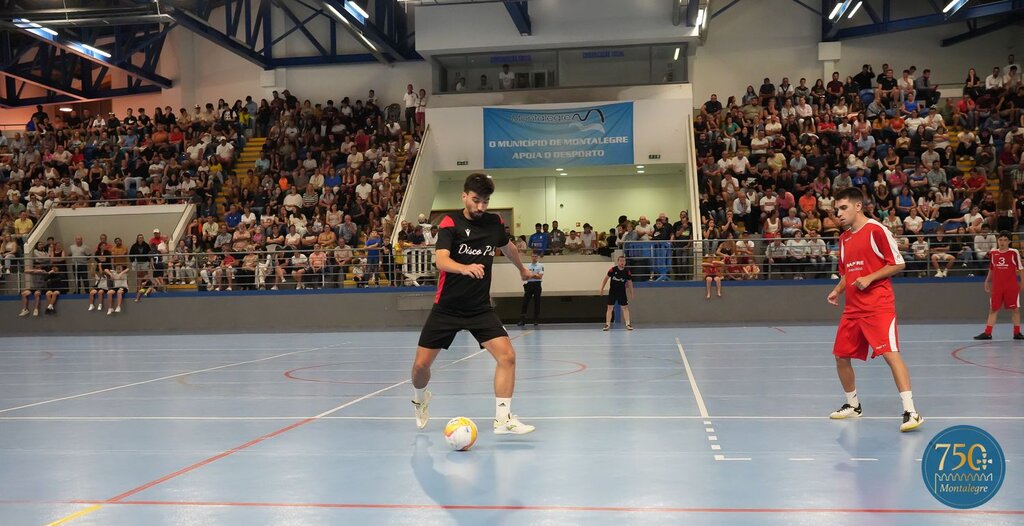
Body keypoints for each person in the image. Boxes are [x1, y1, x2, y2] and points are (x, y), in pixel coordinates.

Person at [410, 173, 535, 435]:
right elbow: (440, 260)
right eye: (476, 200)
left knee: (508, 356)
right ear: (464, 196)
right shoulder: (449, 222)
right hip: (447, 308)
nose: (480, 207)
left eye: (486, 202)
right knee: (421, 367)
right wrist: (464, 268)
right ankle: (420, 399)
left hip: (479, 308)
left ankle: (503, 419)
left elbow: (507, 246)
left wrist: (521, 269)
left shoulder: (494, 222)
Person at [826, 188, 923, 432]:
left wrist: (870, 278)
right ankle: (853, 406)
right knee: (841, 357)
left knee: (890, 354)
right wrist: (838, 289)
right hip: (853, 308)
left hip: (878, 306)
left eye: (843, 208)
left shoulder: (876, 230)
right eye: (837, 209)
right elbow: (848, 272)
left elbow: (899, 263)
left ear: (858, 206)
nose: (839, 213)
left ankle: (911, 411)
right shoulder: (844, 238)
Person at [974, 231, 1024, 340]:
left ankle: (1017, 333)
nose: (1002, 242)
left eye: (1005, 240)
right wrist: (987, 281)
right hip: (997, 286)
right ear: (997, 240)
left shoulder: (1014, 252)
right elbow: (992, 268)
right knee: (993, 309)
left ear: (1009, 241)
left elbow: (1020, 269)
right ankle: (988, 333)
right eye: (1000, 240)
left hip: (1010, 286)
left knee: (1015, 309)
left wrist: (1022, 283)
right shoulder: (993, 253)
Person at [600, 255, 634, 331]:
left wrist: (631, 292)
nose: (622, 262)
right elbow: (606, 279)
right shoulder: (612, 270)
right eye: (621, 261)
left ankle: (628, 324)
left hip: (622, 292)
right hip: (613, 292)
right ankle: (607, 324)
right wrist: (602, 288)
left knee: (625, 308)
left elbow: (630, 282)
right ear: (618, 262)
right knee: (610, 308)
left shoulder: (627, 271)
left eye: (624, 261)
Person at [518, 254, 544, 327]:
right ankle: (522, 320)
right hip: (529, 285)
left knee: (537, 302)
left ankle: (536, 320)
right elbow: (524, 276)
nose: (534, 258)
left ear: (538, 257)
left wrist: (531, 275)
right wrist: (534, 275)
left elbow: (540, 276)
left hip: (537, 285)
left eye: (535, 256)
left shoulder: (540, 265)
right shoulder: (527, 266)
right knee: (525, 302)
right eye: (532, 256)